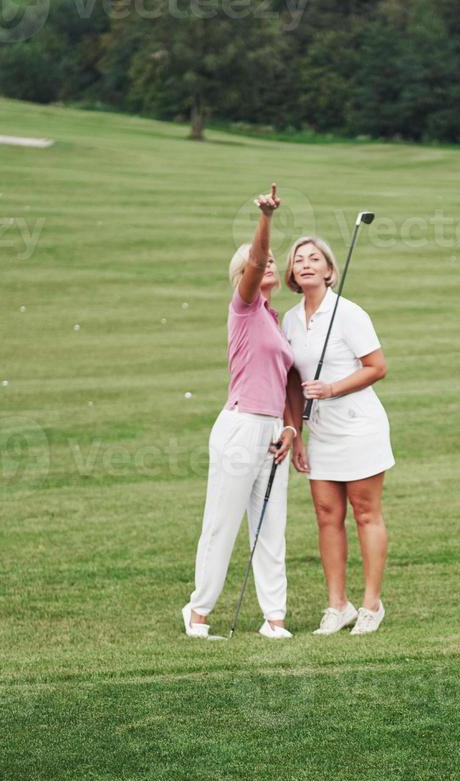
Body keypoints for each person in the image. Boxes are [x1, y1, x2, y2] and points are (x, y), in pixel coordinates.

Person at [184, 184, 301, 640]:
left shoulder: (275, 319)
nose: (270, 264)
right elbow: (255, 260)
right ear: (245, 274)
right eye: (263, 262)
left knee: (271, 528)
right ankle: (198, 613)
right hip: (239, 428)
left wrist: (290, 428)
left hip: (272, 432)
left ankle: (275, 619)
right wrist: (267, 219)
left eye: (275, 261)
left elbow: (288, 381)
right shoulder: (245, 306)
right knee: (223, 523)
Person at [283, 236, 394, 635]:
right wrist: (296, 434)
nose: (307, 264)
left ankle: (370, 605)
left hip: (359, 427)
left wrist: (332, 388)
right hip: (321, 434)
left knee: (365, 514)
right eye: (299, 260)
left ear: (330, 271)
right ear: (292, 273)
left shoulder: (349, 313)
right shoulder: (290, 321)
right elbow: (292, 384)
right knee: (327, 517)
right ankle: (337, 606)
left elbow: (376, 367)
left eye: (315, 259)